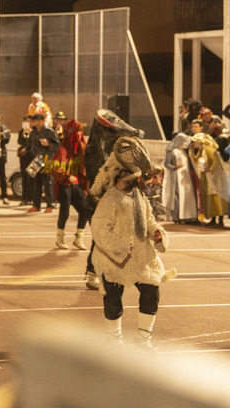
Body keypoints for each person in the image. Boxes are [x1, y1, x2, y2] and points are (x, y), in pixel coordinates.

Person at [91, 136, 176, 347]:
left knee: (151, 292)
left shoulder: (139, 196)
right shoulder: (111, 198)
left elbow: (149, 220)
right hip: (113, 260)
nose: (137, 179)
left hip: (141, 256)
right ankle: (114, 342)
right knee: (113, 300)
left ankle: (143, 340)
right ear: (121, 175)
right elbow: (99, 229)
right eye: (132, 175)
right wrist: (119, 249)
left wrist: (156, 233)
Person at [45, 118, 90, 249]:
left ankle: (79, 239)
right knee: (64, 213)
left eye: (81, 132)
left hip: (77, 185)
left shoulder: (81, 147)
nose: (80, 135)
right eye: (78, 132)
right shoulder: (63, 149)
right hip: (65, 185)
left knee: (85, 210)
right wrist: (67, 176)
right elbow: (54, 168)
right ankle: (60, 239)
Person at [189, 133, 229, 228]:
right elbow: (196, 160)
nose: (194, 144)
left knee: (216, 196)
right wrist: (192, 151)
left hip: (214, 176)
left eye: (195, 142)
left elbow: (215, 160)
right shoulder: (202, 149)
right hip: (207, 176)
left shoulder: (208, 148)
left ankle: (220, 220)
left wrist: (210, 169)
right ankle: (213, 218)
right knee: (209, 197)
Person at [26, 113, 59, 212]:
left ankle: (49, 205)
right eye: (35, 121)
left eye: (39, 121)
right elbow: (30, 145)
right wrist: (26, 150)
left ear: (43, 121)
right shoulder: (33, 132)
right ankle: (36, 206)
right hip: (36, 160)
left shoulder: (49, 131)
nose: (37, 123)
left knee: (47, 183)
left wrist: (48, 144)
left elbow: (57, 145)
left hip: (47, 159)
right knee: (37, 183)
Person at [161, 133, 197, 224]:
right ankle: (176, 217)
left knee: (186, 196)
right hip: (176, 176)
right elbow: (166, 164)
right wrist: (175, 167)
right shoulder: (172, 152)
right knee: (177, 196)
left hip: (185, 177)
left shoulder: (184, 152)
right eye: (184, 142)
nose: (185, 144)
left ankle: (187, 216)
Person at [17, 116, 34, 205]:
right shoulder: (21, 131)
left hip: (32, 155)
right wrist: (24, 133)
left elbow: (34, 143)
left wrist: (30, 134)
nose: (28, 123)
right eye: (26, 122)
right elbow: (19, 142)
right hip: (23, 156)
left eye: (30, 121)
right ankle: (24, 198)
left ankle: (31, 198)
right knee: (24, 177)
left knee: (32, 177)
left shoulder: (35, 131)